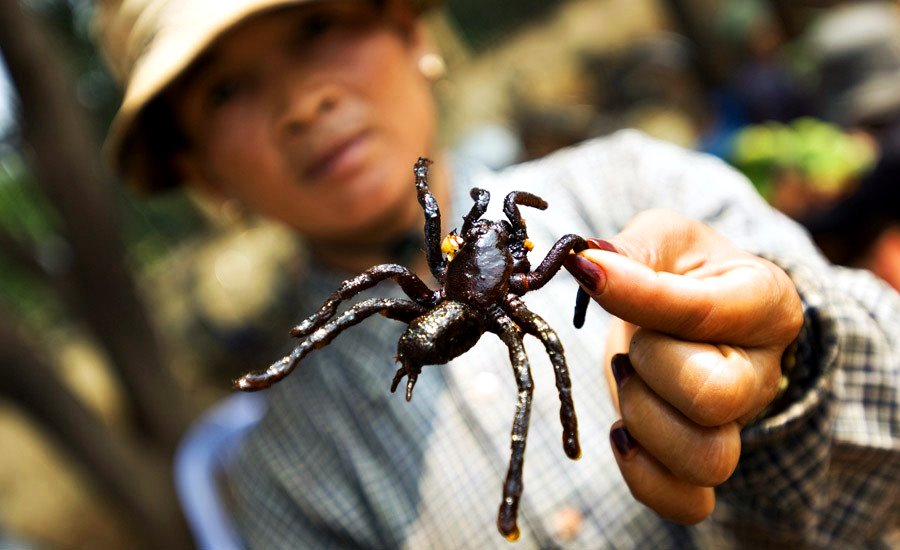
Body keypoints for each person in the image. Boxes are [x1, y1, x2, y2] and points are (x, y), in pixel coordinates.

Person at [93, 0, 899, 547]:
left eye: (316, 25)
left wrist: (791, 361)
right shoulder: (290, 483)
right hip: (455, 314)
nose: (303, 103)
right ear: (202, 176)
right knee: (517, 347)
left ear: (412, 31)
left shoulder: (640, 186)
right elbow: (507, 323)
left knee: (523, 353)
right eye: (228, 89)